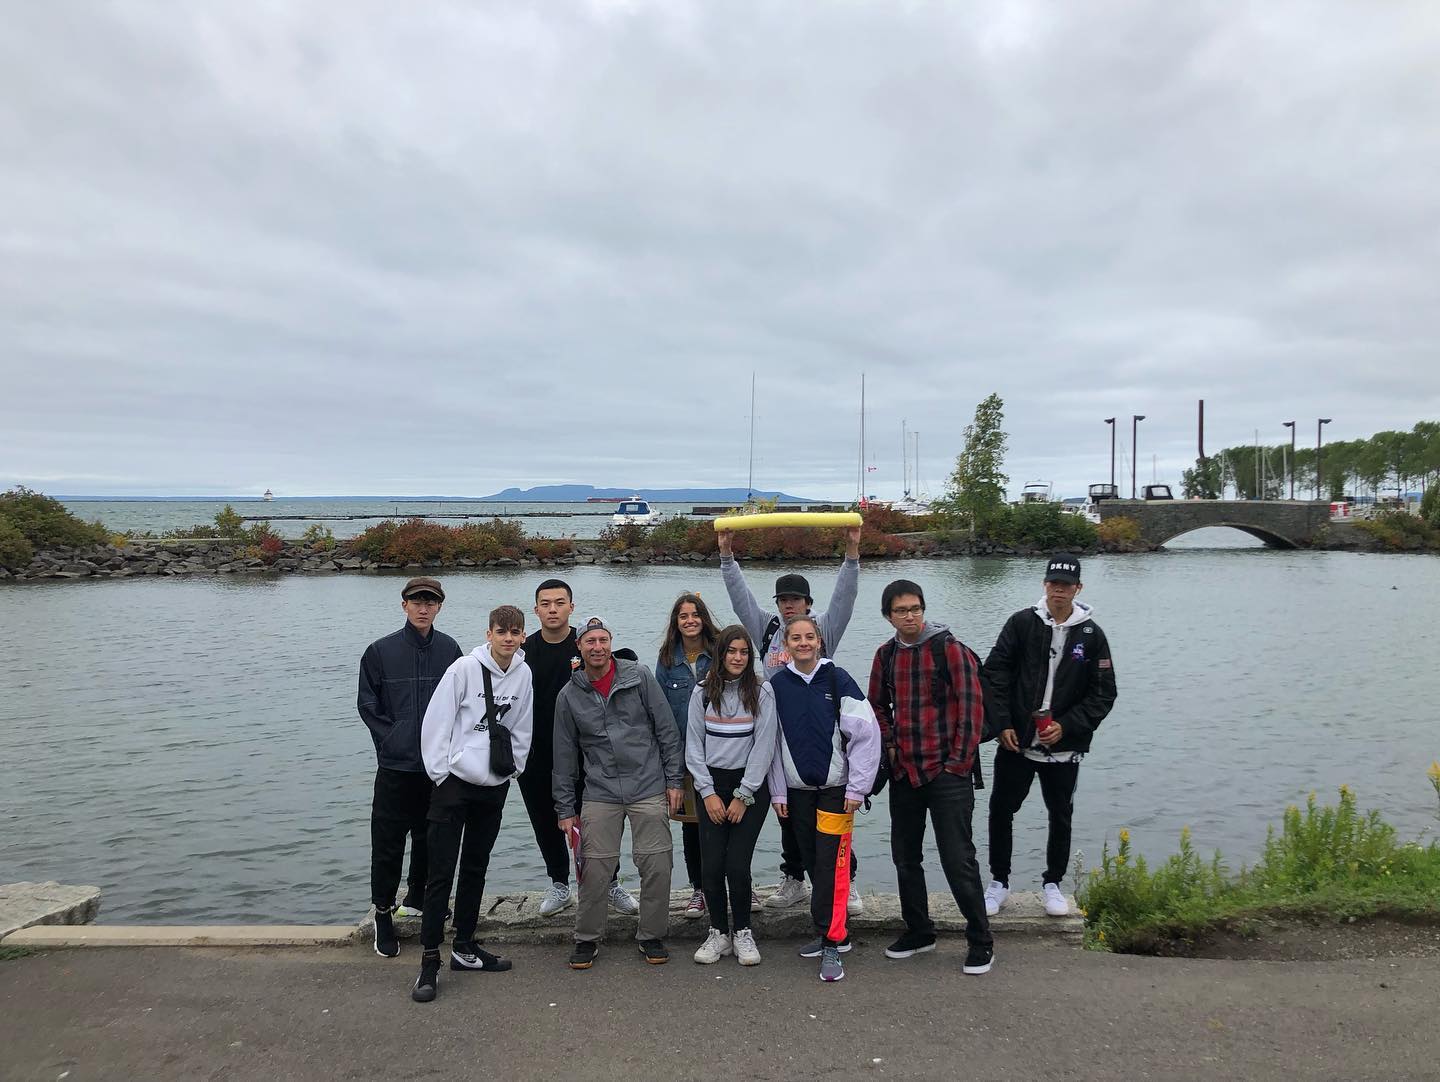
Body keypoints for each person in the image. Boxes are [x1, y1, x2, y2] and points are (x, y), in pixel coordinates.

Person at [717, 525, 864, 914]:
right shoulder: (766, 630)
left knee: (834, 819)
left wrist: (851, 554)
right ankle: (794, 879)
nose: (788, 606)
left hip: (819, 737)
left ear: (808, 603)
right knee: (789, 818)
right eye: (783, 599)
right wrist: (727, 557)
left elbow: (845, 598)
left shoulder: (822, 631)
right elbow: (739, 599)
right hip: (777, 740)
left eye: (795, 599)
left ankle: (845, 884)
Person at [982, 553, 1118, 918]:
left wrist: (1069, 725)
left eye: (1067, 585)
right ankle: (998, 882)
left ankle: (1052, 884)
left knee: (1060, 814)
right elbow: (994, 674)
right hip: (1017, 743)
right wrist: (1002, 724)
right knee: (1001, 810)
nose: (1059, 590)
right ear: (1045, 585)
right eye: (1053, 583)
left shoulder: (1092, 635)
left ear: (1078, 588)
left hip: (1064, 749)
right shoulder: (1022, 624)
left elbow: (1104, 693)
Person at [410, 605, 534, 1003]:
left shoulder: (524, 673)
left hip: (492, 785)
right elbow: (437, 722)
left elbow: (522, 726)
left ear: (522, 636)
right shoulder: (463, 668)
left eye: (515, 632)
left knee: (476, 869)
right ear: (489, 633)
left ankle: (464, 947)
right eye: (502, 632)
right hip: (454, 784)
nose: (508, 639)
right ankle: (429, 961)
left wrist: (511, 772)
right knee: (440, 874)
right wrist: (441, 773)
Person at [869, 579, 994, 975]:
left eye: (916, 608)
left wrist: (958, 763)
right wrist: (889, 744)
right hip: (905, 771)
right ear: (888, 615)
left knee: (959, 858)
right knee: (906, 857)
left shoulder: (949, 649)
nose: (910, 616)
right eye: (901, 610)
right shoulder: (885, 655)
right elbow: (876, 706)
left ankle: (981, 939)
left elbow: (972, 711)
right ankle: (919, 931)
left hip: (948, 773)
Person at [554, 616, 684, 969]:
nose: (597, 647)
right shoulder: (569, 695)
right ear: (579, 648)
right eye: (590, 641)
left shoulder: (639, 676)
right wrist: (565, 809)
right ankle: (587, 938)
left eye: (603, 639)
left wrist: (674, 781)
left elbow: (667, 732)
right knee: (594, 868)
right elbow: (564, 756)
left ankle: (652, 935)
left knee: (656, 862)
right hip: (601, 791)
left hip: (648, 785)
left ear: (611, 642)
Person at [767, 614, 880, 983]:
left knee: (833, 864)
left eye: (809, 637)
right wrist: (778, 790)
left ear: (819, 642)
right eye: (795, 638)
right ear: (786, 645)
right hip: (797, 793)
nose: (803, 643)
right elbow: (771, 743)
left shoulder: (837, 679)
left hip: (835, 791)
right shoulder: (777, 685)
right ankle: (831, 931)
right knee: (813, 861)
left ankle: (832, 941)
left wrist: (857, 788)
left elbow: (866, 734)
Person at [357, 576, 463, 959]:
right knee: (387, 843)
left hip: (437, 768)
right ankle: (383, 912)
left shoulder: (450, 650)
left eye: (430, 602)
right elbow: (369, 707)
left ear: (439, 607)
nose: (423, 607)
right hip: (395, 766)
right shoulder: (380, 651)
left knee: (431, 838)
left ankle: (419, 898)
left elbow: (462, 705)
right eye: (416, 601)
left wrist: (451, 750)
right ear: (404, 605)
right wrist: (396, 740)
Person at [521, 579, 638, 918]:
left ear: (572, 607)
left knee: (598, 823)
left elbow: (618, 673)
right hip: (537, 755)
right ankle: (559, 884)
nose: (553, 609)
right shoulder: (523, 652)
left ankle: (611, 883)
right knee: (546, 821)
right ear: (537, 609)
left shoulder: (586, 646)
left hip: (588, 755)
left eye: (560, 602)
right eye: (546, 603)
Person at [686, 625, 778, 966]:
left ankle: (743, 932)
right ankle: (718, 933)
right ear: (720, 654)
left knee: (737, 864)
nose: (737, 658)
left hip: (749, 787)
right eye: (731, 651)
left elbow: (764, 747)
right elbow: (693, 745)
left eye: (743, 652)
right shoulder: (702, 692)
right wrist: (707, 792)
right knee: (711, 865)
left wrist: (744, 795)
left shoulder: (762, 692)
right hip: (711, 785)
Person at [655, 592, 721, 920]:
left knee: (727, 822)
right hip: (683, 760)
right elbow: (661, 714)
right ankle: (699, 888)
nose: (690, 620)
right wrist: (669, 767)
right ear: (676, 622)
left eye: (695, 614)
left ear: (704, 618)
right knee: (692, 828)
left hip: (722, 756)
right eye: (683, 616)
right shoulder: (667, 659)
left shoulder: (720, 653)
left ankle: (734, 882)